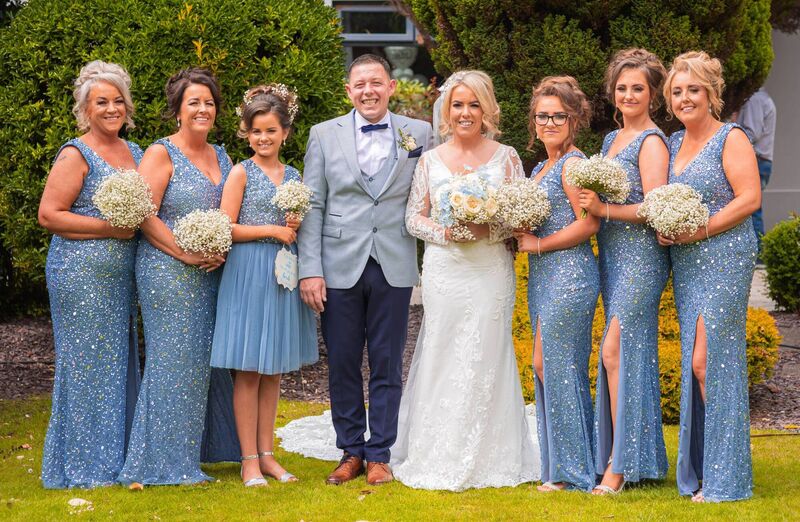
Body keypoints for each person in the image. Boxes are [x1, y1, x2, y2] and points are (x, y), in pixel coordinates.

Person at [392, 70, 539, 491]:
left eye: (474, 104)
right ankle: (437, 450)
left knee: (488, 351)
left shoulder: (507, 157)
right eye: (458, 104)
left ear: (487, 109)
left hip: (490, 269)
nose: (465, 112)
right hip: (446, 270)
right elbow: (413, 217)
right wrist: (446, 232)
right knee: (442, 351)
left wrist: (488, 228)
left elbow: (521, 216)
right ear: (447, 110)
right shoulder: (430, 160)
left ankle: (494, 454)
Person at [297, 54, 433, 486]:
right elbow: (313, 204)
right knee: (341, 361)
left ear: (391, 87)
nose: (368, 91)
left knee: (388, 362)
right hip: (338, 264)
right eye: (360, 84)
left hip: (394, 260)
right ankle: (351, 450)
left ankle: (380, 454)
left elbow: (432, 192)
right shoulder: (323, 135)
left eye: (376, 82)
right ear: (348, 91)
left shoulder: (420, 133)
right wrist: (309, 269)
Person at [119, 68, 239, 487]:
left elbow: (230, 212)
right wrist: (183, 253)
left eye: (209, 102)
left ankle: (200, 451)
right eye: (194, 102)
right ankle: (159, 464)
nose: (203, 109)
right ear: (178, 110)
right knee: (173, 362)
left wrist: (220, 249)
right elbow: (144, 214)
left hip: (209, 272)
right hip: (167, 271)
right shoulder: (161, 153)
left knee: (201, 362)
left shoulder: (222, 156)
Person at [658, 51, 760, 503]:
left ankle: (726, 478)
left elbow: (749, 198)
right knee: (698, 360)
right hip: (687, 261)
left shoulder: (730, 137)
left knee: (709, 361)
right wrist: (664, 226)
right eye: (677, 91)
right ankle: (705, 470)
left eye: (693, 89)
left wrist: (698, 229)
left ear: (711, 93)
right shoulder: (673, 143)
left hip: (724, 257)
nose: (685, 98)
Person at [38, 60, 143, 489]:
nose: (112, 108)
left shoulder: (136, 153)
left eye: (118, 101)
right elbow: (49, 215)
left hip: (120, 279)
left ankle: (116, 458)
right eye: (101, 102)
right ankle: (82, 467)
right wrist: (108, 228)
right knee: (84, 367)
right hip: (79, 276)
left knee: (114, 363)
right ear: (85, 109)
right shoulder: (75, 153)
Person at [210, 84, 318, 487]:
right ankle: (249, 460)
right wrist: (272, 229)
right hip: (248, 273)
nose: (263, 138)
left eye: (271, 130)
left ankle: (268, 454)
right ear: (247, 133)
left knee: (273, 370)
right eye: (256, 131)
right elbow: (226, 226)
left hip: (281, 275)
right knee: (250, 370)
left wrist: (294, 224)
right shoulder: (241, 172)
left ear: (285, 133)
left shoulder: (293, 176)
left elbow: (299, 228)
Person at [577, 48, 670, 494]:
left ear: (653, 94)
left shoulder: (651, 142)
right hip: (612, 256)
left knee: (614, 352)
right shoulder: (611, 140)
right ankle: (636, 456)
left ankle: (619, 463)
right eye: (622, 88)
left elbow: (655, 208)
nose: (628, 95)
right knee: (626, 354)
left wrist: (604, 210)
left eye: (638, 88)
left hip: (642, 258)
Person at [514, 76, 600, 493]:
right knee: (547, 366)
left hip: (570, 275)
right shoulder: (540, 167)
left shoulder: (572, 165)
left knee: (556, 366)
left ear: (574, 120)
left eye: (558, 116)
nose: (548, 123)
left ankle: (573, 472)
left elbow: (589, 224)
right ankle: (563, 466)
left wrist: (539, 243)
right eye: (542, 116)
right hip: (544, 276)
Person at [736, 87, 776, 252]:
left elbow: (751, 133)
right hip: (762, 161)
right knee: (754, 208)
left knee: (752, 209)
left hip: (756, 160)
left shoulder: (755, 99)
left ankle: (758, 254)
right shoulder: (763, 98)